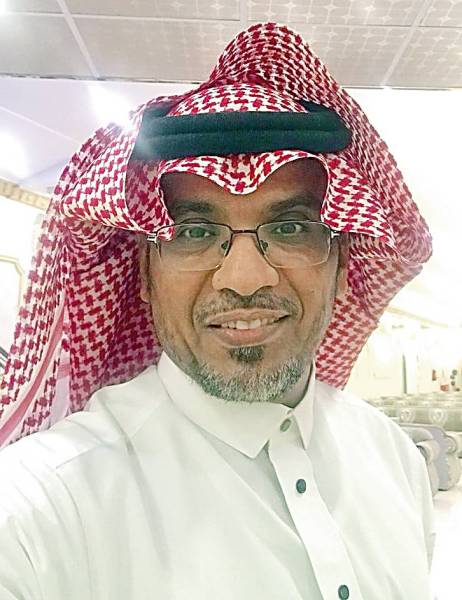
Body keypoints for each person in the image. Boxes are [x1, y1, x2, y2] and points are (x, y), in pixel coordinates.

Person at [0, 22, 436, 600]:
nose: (245, 278)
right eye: (194, 232)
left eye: (290, 228)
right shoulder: (38, 512)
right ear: (143, 275)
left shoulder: (396, 460)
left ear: (340, 262)